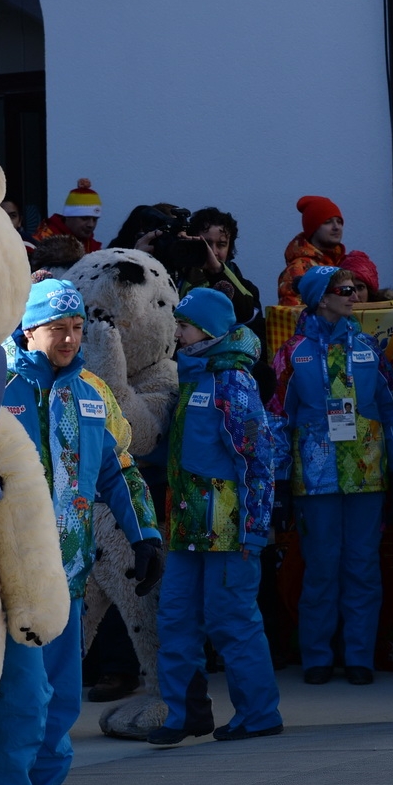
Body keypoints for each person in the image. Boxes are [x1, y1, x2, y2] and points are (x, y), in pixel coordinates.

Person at [0, 278, 161, 785]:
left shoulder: (89, 392)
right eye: (58, 328)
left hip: (69, 575)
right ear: (28, 328)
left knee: (60, 705)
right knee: (23, 703)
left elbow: (119, 470)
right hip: (9, 579)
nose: (70, 338)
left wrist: (145, 537)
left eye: (77, 327)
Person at [147, 287, 283, 745]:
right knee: (175, 618)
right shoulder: (190, 376)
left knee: (232, 620)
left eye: (183, 326)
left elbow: (257, 460)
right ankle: (182, 713)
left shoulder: (232, 381)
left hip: (229, 531)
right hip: (186, 525)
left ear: (206, 330)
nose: (176, 333)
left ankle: (260, 713)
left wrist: (256, 530)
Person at [267, 266, 393, 686]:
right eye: (344, 290)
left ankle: (359, 656)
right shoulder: (293, 352)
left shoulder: (368, 347)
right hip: (315, 479)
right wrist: (278, 482)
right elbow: (277, 419)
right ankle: (317, 656)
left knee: (363, 566)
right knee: (322, 567)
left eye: (353, 289)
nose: (353, 296)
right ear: (320, 298)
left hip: (368, 475)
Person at [275, 196, 347, 310]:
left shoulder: (342, 264)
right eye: (327, 222)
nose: (336, 227)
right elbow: (294, 317)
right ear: (313, 228)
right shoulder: (299, 269)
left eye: (339, 222)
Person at [32, 178, 103, 254]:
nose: (91, 225)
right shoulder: (45, 239)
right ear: (68, 216)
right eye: (84, 218)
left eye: (95, 219)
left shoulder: (92, 246)